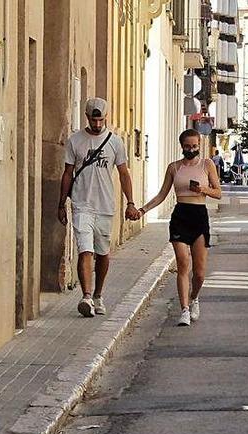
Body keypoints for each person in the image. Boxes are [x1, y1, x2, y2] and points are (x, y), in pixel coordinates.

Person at [58, 98, 138, 317]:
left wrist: (130, 202)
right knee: (85, 249)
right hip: (81, 204)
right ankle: (86, 296)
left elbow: (123, 174)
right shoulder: (75, 141)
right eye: (93, 120)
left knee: (102, 253)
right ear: (86, 117)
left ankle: (98, 295)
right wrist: (62, 203)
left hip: (105, 205)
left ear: (106, 118)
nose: (97, 124)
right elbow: (67, 173)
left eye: (101, 120)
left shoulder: (115, 142)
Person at [136, 129, 222, 326]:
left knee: (199, 272)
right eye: (187, 146)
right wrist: (143, 210)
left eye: (194, 146)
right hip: (181, 215)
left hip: (199, 216)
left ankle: (194, 297)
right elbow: (161, 195)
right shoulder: (174, 167)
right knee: (183, 263)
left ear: (199, 145)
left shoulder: (207, 164)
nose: (191, 150)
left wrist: (203, 189)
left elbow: (218, 193)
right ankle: (184, 309)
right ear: (181, 146)